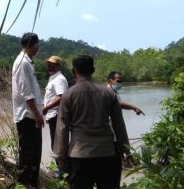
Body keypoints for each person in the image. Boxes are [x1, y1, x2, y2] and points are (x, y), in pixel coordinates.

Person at [53, 55, 130, 189]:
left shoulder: (69, 95)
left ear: (74, 71)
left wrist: (62, 156)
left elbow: (62, 128)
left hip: (79, 155)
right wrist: (126, 150)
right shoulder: (108, 93)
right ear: (93, 70)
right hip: (107, 153)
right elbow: (119, 124)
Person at [11, 32, 44, 188]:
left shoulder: (27, 62)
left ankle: (32, 182)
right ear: (34, 46)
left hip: (32, 115)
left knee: (35, 150)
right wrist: (37, 114)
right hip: (27, 115)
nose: (38, 49)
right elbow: (26, 92)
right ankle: (25, 183)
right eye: (37, 46)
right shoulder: (22, 62)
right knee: (28, 152)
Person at [42, 55, 68, 177]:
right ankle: (62, 170)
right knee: (55, 143)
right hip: (52, 115)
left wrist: (46, 108)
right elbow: (51, 97)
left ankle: (64, 172)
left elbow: (61, 97)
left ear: (58, 65)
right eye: (48, 63)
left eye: (52, 64)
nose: (49, 65)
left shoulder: (59, 79)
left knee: (58, 144)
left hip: (57, 115)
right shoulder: (52, 78)